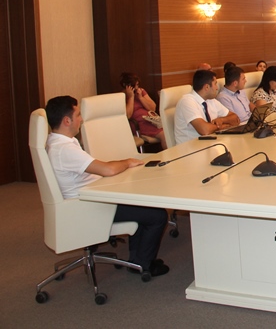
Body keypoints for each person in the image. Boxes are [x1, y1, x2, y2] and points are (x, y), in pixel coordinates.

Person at [44, 96, 170, 277]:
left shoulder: (56, 142)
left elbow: (97, 167)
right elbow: (108, 170)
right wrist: (127, 162)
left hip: (87, 198)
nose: (81, 119)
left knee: (141, 206)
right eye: (78, 115)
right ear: (66, 121)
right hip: (88, 206)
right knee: (157, 215)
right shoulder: (65, 149)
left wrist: (122, 163)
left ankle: (138, 259)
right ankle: (144, 263)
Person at [173, 70, 238, 144]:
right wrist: (222, 126)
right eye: (215, 84)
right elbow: (204, 130)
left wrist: (222, 120)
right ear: (207, 87)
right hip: (191, 148)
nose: (217, 88)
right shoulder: (187, 101)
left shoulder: (211, 100)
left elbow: (236, 119)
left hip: (210, 144)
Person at [120, 72, 167, 150]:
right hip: (138, 123)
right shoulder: (122, 96)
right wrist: (131, 97)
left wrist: (141, 98)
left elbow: (153, 108)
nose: (136, 88)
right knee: (164, 135)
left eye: (137, 85)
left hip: (151, 120)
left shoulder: (141, 91)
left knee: (169, 131)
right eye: (134, 86)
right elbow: (128, 115)